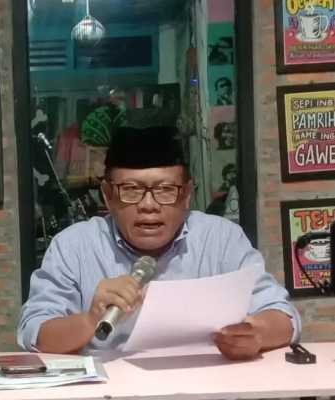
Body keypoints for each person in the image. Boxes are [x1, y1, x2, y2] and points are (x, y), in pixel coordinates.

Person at [17, 126, 300, 360]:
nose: (148, 205)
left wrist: (256, 334)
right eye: (131, 190)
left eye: (165, 190)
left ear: (186, 194)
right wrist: (90, 320)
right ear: (107, 195)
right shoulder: (73, 246)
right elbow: (36, 335)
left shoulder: (221, 239)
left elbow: (284, 318)